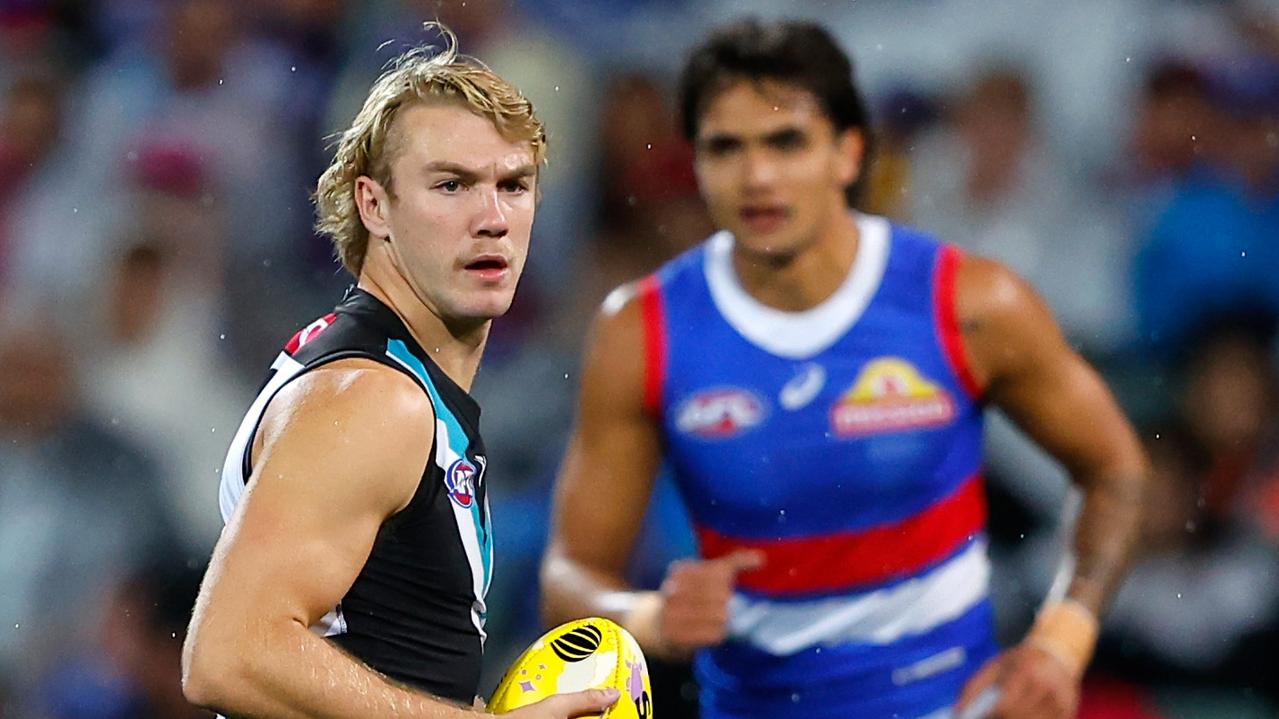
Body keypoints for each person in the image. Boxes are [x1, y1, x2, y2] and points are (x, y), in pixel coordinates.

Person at [541, 19, 1147, 719]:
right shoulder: (639, 331)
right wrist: (647, 616)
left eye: (786, 141)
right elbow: (567, 574)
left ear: (848, 153)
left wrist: (1060, 642)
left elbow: (1116, 471)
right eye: (725, 147)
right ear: (697, 164)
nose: (757, 175)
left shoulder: (967, 302)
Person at [181, 27, 618, 719]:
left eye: (514, 185)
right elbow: (228, 655)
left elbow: (372, 657)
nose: (493, 218)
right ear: (373, 205)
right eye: (452, 185)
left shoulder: (386, 376)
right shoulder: (373, 398)